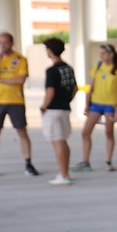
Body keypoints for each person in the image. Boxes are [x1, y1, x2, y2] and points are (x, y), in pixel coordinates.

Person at [75, 43, 117, 172]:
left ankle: (108, 161)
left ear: (111, 55)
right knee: (85, 132)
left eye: (104, 53)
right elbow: (91, 87)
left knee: (109, 133)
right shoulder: (98, 66)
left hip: (110, 105)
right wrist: (87, 104)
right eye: (100, 53)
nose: (101, 56)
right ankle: (85, 162)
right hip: (95, 104)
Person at [0, 32, 39, 176]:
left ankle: (28, 163)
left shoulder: (20, 59)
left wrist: (0, 80)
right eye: (0, 42)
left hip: (16, 101)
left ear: (11, 43)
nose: (2, 45)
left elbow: (20, 80)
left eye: (5, 42)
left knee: (22, 132)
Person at [39, 38, 77, 185]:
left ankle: (63, 175)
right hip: (65, 109)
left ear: (50, 51)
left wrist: (43, 107)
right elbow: (75, 88)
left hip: (53, 110)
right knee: (63, 141)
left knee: (57, 141)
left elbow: (50, 91)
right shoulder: (69, 68)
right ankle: (65, 172)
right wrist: (67, 100)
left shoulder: (52, 71)